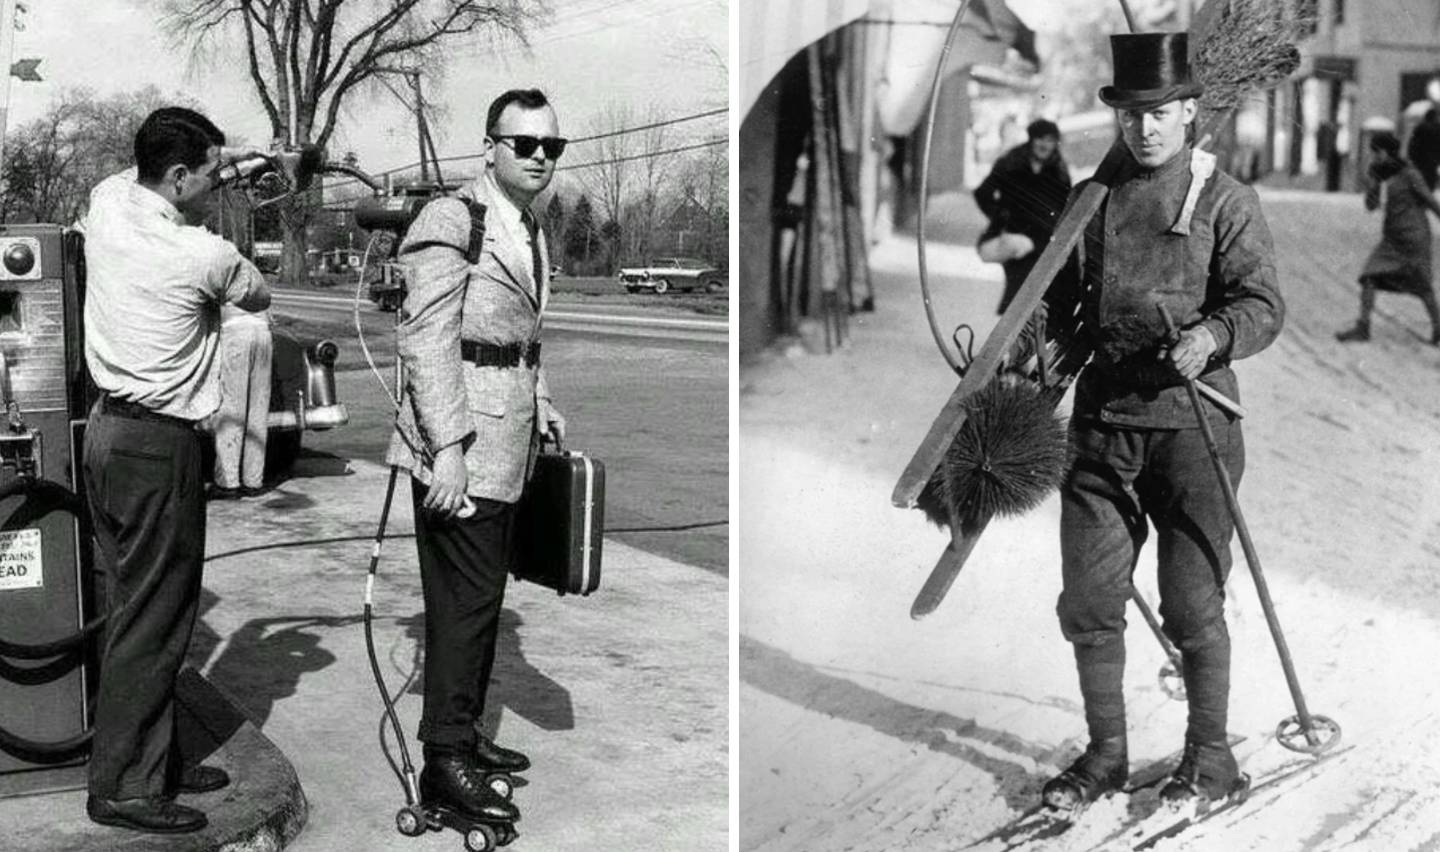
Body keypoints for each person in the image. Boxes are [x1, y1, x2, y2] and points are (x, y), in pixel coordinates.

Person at [1035, 33, 1284, 813]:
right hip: (1104, 426)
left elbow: (1263, 304)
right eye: (1132, 114)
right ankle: (1107, 755)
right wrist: (1032, 354)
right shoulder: (1091, 200)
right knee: (1088, 599)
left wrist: (1211, 337)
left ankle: (1210, 760)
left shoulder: (1223, 199)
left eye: (1160, 114)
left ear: (1188, 114)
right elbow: (1056, 304)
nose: (1145, 129)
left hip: (1194, 430)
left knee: (1190, 605)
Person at [80, 107, 270, 833]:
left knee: (132, 605)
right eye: (210, 172)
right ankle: (126, 786)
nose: (218, 182)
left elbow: (143, 177)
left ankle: (149, 758)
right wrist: (248, 191)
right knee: (155, 620)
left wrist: (234, 162)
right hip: (160, 449)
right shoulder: (203, 255)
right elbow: (257, 293)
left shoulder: (107, 203)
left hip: (105, 434)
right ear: (182, 176)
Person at [385, 88, 567, 825]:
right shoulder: (452, 218)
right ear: (489, 145)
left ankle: (466, 736)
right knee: (460, 609)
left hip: (507, 437)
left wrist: (543, 397)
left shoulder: (525, 224)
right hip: (462, 441)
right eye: (524, 144)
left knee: (484, 600)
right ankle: (444, 762)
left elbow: (517, 332)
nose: (539, 158)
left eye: (551, 147)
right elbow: (427, 339)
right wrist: (448, 450)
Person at [1335, 130, 1440, 345]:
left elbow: (1429, 200)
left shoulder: (1409, 174)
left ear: (1387, 152)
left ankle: (1438, 328)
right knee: (1369, 276)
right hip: (1393, 238)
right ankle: (1363, 327)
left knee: (1422, 285)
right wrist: (1372, 185)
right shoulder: (1381, 174)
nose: (1374, 157)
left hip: (1414, 238)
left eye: (1377, 153)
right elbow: (1371, 206)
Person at [974, 118, 1072, 313]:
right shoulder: (1011, 162)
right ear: (1031, 139)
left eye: (1050, 140)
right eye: (1040, 139)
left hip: (1044, 237)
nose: (1045, 145)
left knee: (1044, 291)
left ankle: (1027, 335)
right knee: (1019, 287)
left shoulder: (1058, 169)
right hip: (1015, 234)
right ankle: (1013, 335)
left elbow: (1067, 203)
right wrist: (999, 215)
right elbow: (983, 192)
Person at [210, 304, 274, 497]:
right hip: (263, 330)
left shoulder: (226, 273)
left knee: (232, 408)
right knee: (258, 408)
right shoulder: (255, 275)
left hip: (234, 329)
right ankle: (253, 481)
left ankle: (227, 482)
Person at [1405, 107, 1440, 192]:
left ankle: (1420, 199)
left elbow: (1412, 144)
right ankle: (1428, 197)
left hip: (1420, 161)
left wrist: (1412, 157)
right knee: (1430, 182)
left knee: (1419, 182)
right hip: (1432, 161)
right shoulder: (1438, 128)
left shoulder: (1420, 128)